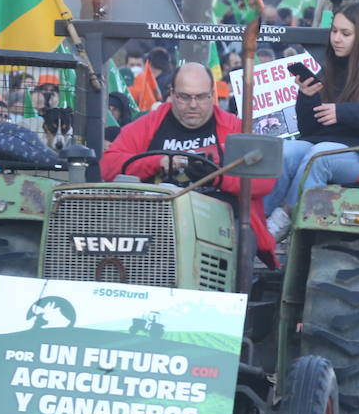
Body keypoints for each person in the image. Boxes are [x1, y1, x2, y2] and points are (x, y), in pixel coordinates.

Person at [102, 63, 277, 265]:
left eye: (201, 97)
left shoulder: (235, 128)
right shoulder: (149, 124)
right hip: (153, 219)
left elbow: (265, 182)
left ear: (213, 94)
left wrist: (218, 176)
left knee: (241, 238)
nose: (193, 105)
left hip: (221, 221)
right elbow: (108, 164)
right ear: (172, 93)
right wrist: (159, 162)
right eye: (184, 97)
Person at [266, 2, 359, 238]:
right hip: (329, 145)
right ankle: (257, 224)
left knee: (320, 156)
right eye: (334, 31)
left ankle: (285, 219)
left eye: (345, 34)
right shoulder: (332, 67)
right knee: (284, 151)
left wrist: (343, 112)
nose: (336, 39)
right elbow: (310, 130)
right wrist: (306, 97)